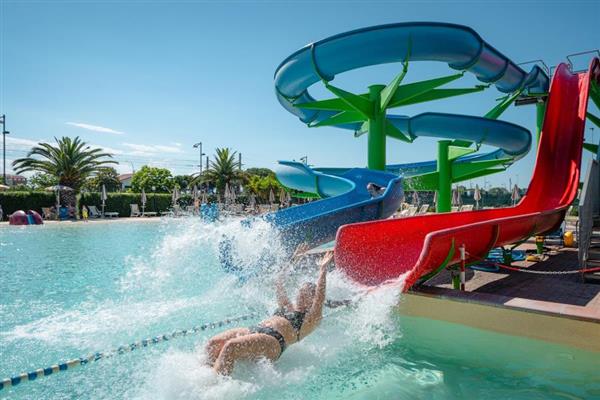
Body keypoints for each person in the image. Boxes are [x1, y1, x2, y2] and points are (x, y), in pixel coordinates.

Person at [205, 245, 333, 375]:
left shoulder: (311, 318)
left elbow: (320, 297)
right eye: (300, 292)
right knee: (213, 344)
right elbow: (279, 281)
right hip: (255, 329)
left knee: (231, 346)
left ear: (312, 299)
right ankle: (207, 372)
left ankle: (214, 382)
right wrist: (294, 259)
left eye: (305, 294)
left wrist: (323, 270)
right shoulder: (287, 307)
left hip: (273, 341)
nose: (300, 295)